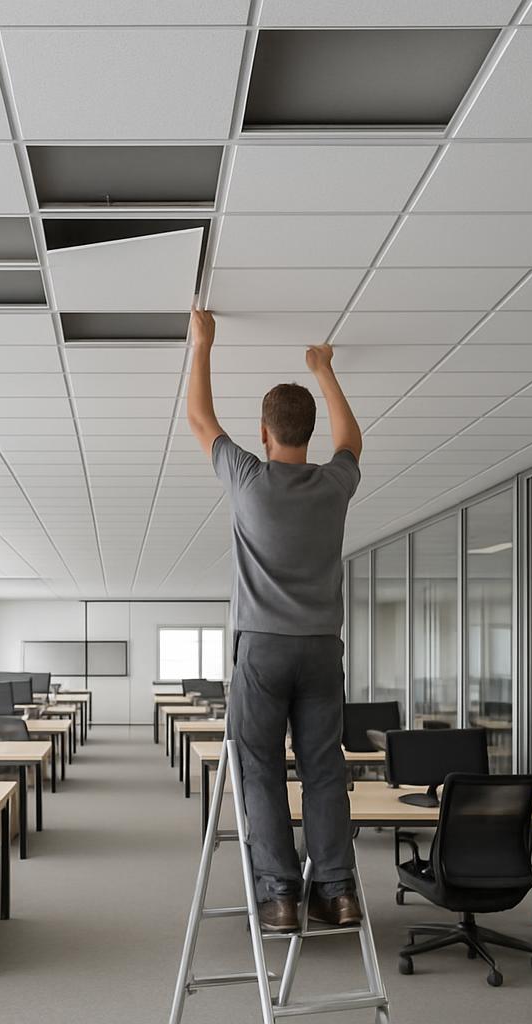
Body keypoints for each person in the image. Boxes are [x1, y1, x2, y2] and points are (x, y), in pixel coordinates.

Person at [186, 306, 363, 933]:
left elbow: (200, 419)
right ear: (305, 433)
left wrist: (202, 342)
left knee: (258, 765)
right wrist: (325, 370)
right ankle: (338, 892)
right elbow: (352, 440)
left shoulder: (249, 480)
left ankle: (281, 895)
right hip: (321, 649)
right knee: (324, 769)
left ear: (264, 434)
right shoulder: (334, 483)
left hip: (262, 650)